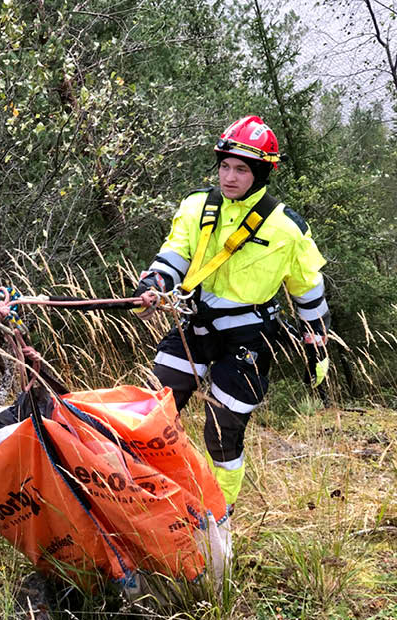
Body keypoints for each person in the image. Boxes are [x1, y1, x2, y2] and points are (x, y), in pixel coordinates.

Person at [132, 115, 331, 509]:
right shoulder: (195, 207)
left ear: (260, 174)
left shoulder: (288, 229)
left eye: (241, 169)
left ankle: (218, 514)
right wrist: (155, 283)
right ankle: (146, 501)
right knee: (151, 413)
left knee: (222, 433)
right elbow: (174, 254)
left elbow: (309, 290)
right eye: (225, 166)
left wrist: (317, 344)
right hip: (193, 324)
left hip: (249, 338)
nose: (229, 177)